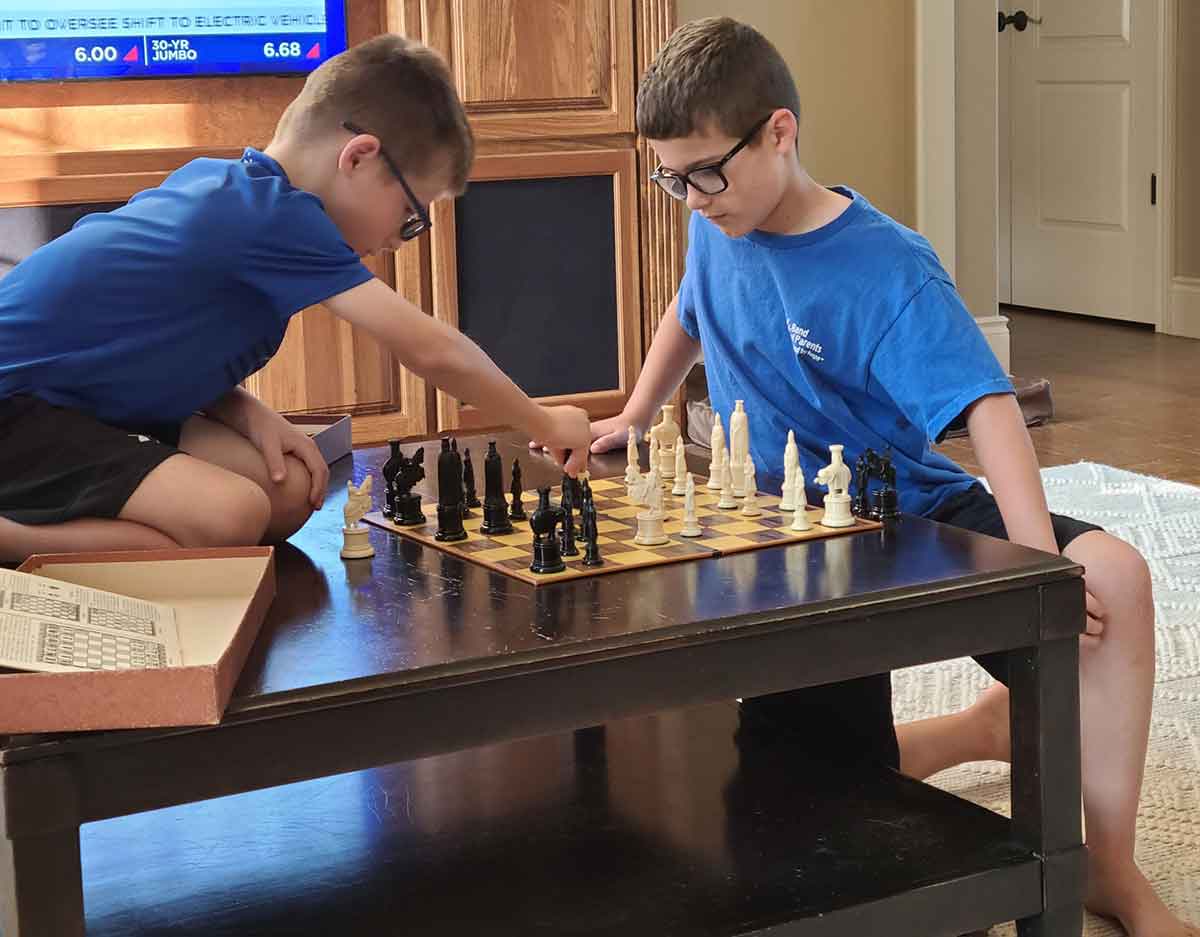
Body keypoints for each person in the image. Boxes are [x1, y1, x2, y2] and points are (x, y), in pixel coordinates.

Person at [573, 17, 1191, 937]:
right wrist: (634, 410)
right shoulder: (715, 219)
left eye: (706, 172)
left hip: (909, 516)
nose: (692, 199)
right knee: (807, 806)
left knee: (1117, 581)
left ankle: (1109, 865)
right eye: (672, 177)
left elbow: (987, 408)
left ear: (779, 132)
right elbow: (690, 309)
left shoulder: (889, 267)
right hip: (788, 539)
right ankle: (976, 731)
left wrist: (1031, 566)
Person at [0, 35, 591, 564]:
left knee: (287, 495)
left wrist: (242, 409)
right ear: (358, 157)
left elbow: (138, 341)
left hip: (83, 402)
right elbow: (430, 350)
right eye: (411, 217)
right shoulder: (276, 218)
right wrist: (544, 419)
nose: (397, 241)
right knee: (231, 519)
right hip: (17, 409)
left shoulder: (237, 189)